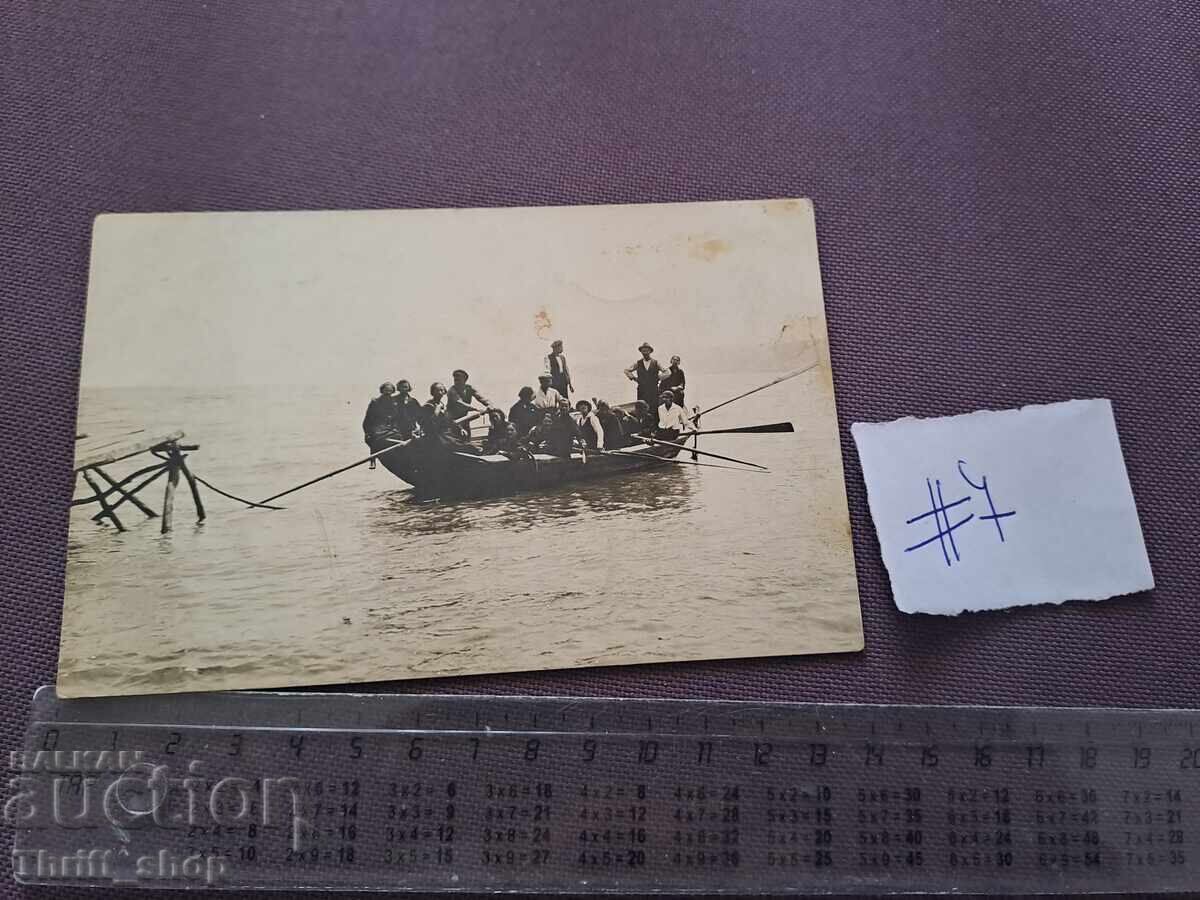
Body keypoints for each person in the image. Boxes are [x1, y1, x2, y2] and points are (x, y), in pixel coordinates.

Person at [624, 342, 664, 424]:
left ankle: (655, 426)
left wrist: (658, 378)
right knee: (641, 407)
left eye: (647, 350)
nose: (645, 352)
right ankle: (641, 426)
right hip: (642, 389)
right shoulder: (638, 363)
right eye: (643, 350)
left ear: (650, 351)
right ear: (641, 352)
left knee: (654, 407)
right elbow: (627, 370)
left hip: (653, 389)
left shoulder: (656, 363)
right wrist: (633, 378)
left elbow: (667, 372)